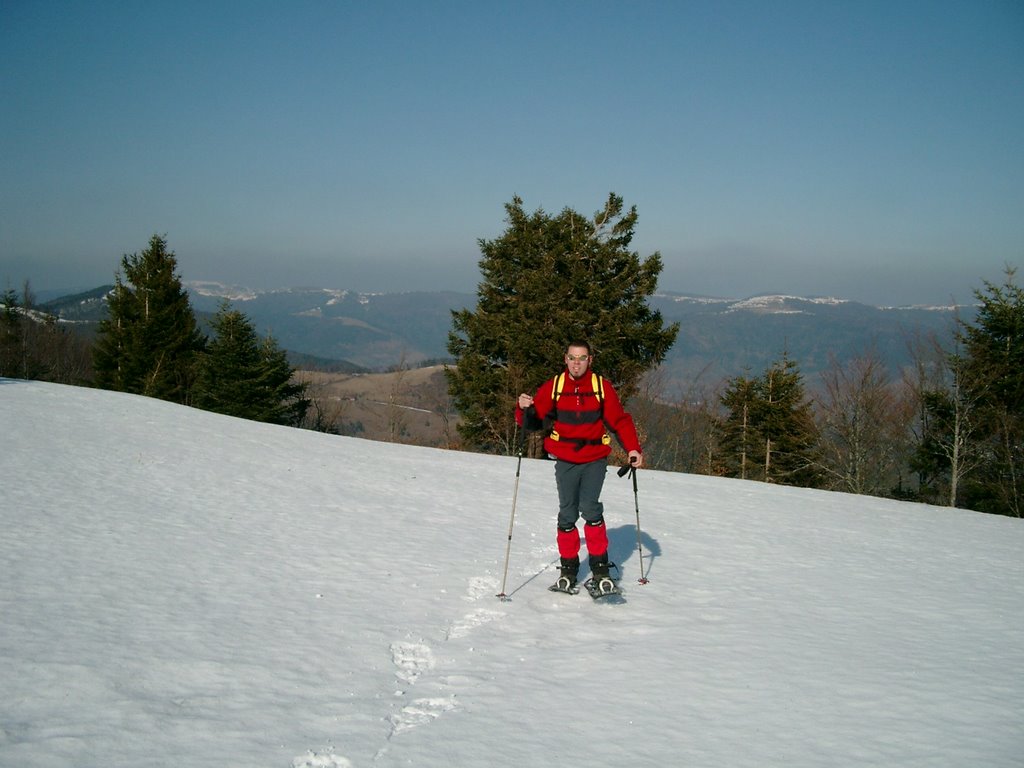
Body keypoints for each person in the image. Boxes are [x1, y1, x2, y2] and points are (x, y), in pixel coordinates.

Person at [516, 341, 643, 594]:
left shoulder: (600, 387)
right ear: (565, 359)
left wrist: (633, 448)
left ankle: (600, 568)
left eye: (582, 358)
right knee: (567, 513)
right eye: (573, 358)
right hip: (565, 459)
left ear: (590, 360)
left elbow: (619, 420)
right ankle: (569, 568)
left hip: (594, 458)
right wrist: (522, 408)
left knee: (590, 508)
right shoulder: (555, 386)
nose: (577, 363)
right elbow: (533, 420)